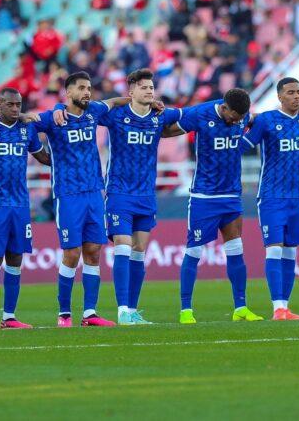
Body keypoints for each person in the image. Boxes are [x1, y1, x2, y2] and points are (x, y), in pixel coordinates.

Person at [166, 88, 263, 324]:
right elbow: (170, 123)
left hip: (231, 196)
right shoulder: (200, 114)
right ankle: (186, 311)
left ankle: (240, 307)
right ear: (224, 107)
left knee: (236, 250)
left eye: (241, 118)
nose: (236, 121)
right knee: (194, 252)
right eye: (233, 116)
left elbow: (256, 120)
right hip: (204, 197)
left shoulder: (242, 115)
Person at [31, 71, 118, 328]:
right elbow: (25, 123)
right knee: (71, 252)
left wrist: (145, 101)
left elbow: (115, 102)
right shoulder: (54, 118)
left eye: (89, 87)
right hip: (68, 195)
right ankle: (64, 313)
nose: (87, 92)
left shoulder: (94, 112)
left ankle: (90, 313)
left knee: (93, 252)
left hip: (94, 192)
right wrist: (38, 152)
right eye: (81, 88)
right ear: (68, 92)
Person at [95, 69, 181, 325]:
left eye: (151, 87)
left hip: (146, 195)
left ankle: (132, 309)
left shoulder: (159, 117)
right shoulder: (116, 115)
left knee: (139, 250)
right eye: (143, 87)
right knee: (122, 244)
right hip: (119, 193)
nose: (150, 91)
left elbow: (190, 117)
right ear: (131, 91)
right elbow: (85, 110)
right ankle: (122, 310)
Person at [0, 88, 52, 330]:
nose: (16, 109)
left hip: (20, 203)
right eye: (11, 105)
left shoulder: (26, 129)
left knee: (16, 258)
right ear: (0, 104)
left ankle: (9, 316)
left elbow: (44, 158)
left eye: (19, 105)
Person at [242, 77, 299, 320]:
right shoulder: (266, 119)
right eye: (291, 92)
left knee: (290, 252)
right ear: (279, 97)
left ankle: (286, 306)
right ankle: (277, 308)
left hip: (297, 197)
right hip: (272, 196)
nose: (296, 96)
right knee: (274, 250)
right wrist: (245, 120)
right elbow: (244, 146)